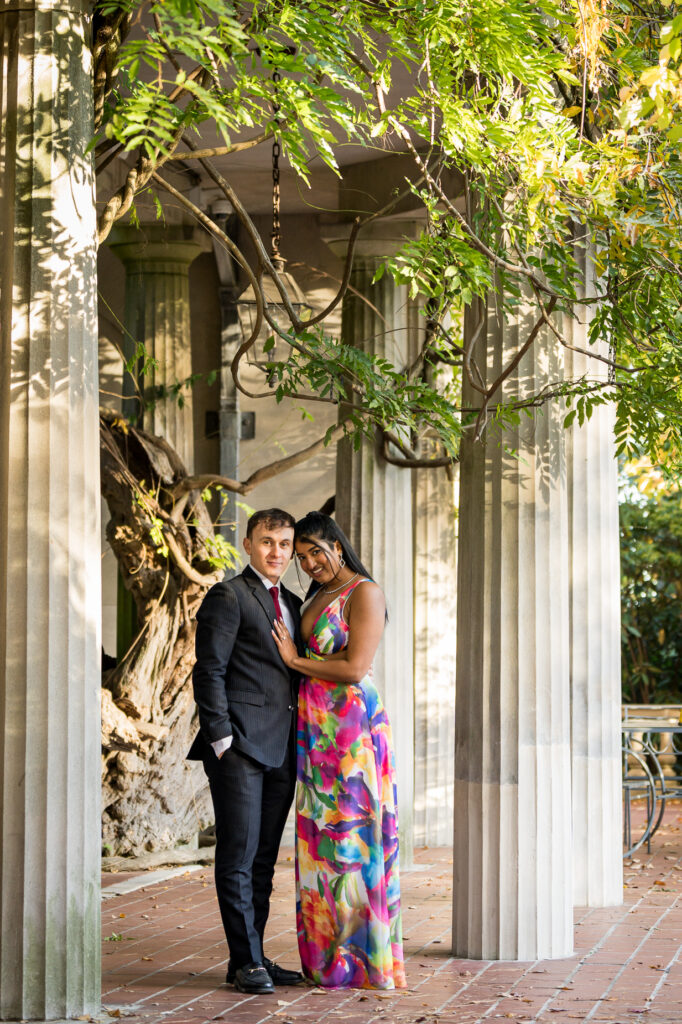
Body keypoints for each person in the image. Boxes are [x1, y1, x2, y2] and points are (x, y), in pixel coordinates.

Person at [272, 511, 406, 990]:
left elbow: (353, 667)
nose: (309, 563)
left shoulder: (364, 592)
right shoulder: (316, 596)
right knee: (319, 845)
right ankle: (328, 960)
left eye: (315, 551)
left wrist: (295, 659)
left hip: (350, 734)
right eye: (301, 556)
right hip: (315, 731)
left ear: (337, 543)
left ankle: (362, 960)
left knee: (351, 843)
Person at [188, 508, 304, 995]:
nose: (276, 551)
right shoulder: (229, 595)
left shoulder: (295, 603)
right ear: (248, 545)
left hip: (282, 748)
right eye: (266, 542)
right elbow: (208, 669)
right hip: (238, 747)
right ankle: (246, 960)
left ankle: (250, 957)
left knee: (261, 861)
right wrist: (222, 740)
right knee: (237, 855)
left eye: (284, 543)